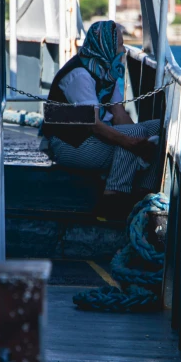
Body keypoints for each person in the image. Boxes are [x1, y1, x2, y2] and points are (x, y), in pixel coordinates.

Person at [42, 20, 161, 218]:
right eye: (120, 45)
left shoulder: (107, 72)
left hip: (94, 137)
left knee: (159, 128)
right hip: (68, 144)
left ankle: (144, 195)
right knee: (132, 139)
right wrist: (134, 143)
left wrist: (144, 139)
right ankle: (111, 201)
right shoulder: (79, 75)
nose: (123, 51)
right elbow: (94, 125)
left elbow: (119, 115)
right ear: (105, 46)